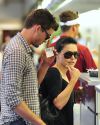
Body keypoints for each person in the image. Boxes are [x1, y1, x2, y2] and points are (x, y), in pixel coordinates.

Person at [0, 9, 58, 125]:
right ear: (38, 29)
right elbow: (12, 99)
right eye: (47, 36)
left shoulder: (24, 49)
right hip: (18, 121)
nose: (46, 41)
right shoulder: (17, 51)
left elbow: (31, 87)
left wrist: (45, 64)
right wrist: (40, 123)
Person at [50, 10, 97, 95]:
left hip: (52, 98)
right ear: (74, 28)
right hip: (76, 99)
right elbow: (93, 75)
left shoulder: (50, 48)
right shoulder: (83, 50)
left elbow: (44, 69)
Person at [39, 37, 80, 125]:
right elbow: (58, 104)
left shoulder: (63, 73)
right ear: (57, 54)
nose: (73, 58)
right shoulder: (54, 72)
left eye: (76, 54)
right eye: (68, 54)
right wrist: (73, 81)